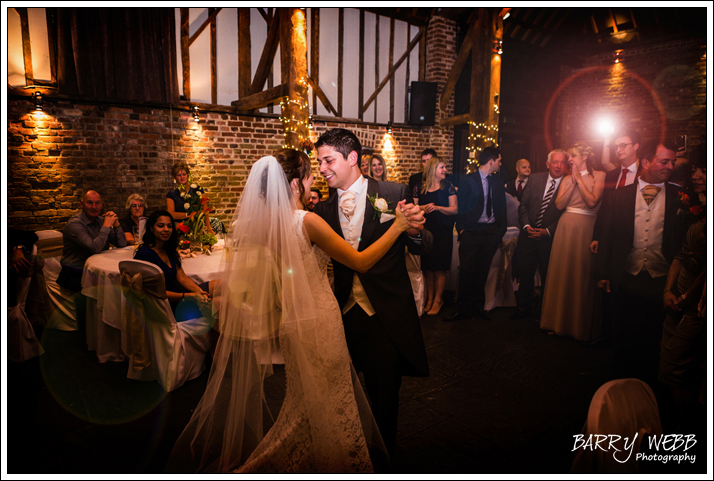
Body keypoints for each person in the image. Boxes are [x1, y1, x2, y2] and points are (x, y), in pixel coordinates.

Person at [167, 148, 425, 473]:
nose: (313, 180)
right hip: (320, 319)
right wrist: (398, 225)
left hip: (293, 322)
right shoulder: (308, 221)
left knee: (305, 399)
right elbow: (361, 262)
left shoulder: (266, 227)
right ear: (292, 185)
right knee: (331, 397)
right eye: (307, 176)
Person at [313, 128, 431, 457]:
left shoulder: (394, 193)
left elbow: (421, 245)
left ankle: (382, 461)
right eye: (319, 161)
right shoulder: (321, 210)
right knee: (344, 395)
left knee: (383, 395)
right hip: (341, 315)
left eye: (328, 160)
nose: (322, 167)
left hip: (384, 315)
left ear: (353, 159)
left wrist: (418, 232)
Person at [596, 139, 685, 387]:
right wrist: (602, 272)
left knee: (655, 339)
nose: (670, 166)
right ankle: (623, 387)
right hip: (627, 276)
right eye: (664, 161)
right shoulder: (619, 196)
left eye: (672, 162)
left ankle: (653, 389)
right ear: (645, 162)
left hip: (662, 279)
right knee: (624, 337)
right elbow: (607, 234)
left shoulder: (681, 197)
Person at [658, 143, 706, 433]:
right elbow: (680, 253)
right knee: (667, 362)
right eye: (695, 170)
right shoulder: (692, 205)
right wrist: (667, 290)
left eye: (704, 169)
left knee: (677, 366)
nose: (698, 175)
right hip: (678, 292)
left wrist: (688, 297)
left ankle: (691, 432)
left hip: (697, 299)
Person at [539, 143, 606, 342]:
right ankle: (556, 322)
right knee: (562, 274)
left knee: (581, 275)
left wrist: (580, 180)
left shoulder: (600, 175)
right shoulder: (566, 179)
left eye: (573, 157)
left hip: (586, 227)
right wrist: (572, 183)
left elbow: (592, 201)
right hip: (565, 228)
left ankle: (579, 327)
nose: (569, 160)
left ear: (584, 156)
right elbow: (559, 204)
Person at [446, 146, 507, 322]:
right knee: (466, 270)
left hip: (491, 233)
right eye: (499, 161)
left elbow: (501, 207)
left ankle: (478, 307)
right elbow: (461, 205)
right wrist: (463, 228)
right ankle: (463, 309)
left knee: (483, 270)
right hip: (471, 232)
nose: (500, 164)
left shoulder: (498, 181)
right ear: (491, 161)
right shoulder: (468, 180)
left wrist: (499, 231)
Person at [509, 149, 568, 320]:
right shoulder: (534, 179)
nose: (558, 166)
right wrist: (527, 226)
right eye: (554, 162)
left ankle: (545, 312)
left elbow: (566, 212)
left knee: (548, 276)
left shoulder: (569, 182)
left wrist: (548, 231)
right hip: (528, 235)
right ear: (547, 164)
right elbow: (523, 206)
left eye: (561, 162)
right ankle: (523, 309)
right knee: (525, 274)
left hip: (550, 239)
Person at [134, 210, 218, 319]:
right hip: (167, 305)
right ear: (151, 228)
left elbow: (182, 277)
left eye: (169, 226)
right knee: (219, 302)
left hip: (181, 294)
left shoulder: (167, 249)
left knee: (220, 285)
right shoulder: (145, 254)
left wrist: (199, 292)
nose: (166, 229)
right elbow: (153, 292)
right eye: (160, 226)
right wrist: (189, 296)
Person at [58, 190, 126, 293]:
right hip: (75, 274)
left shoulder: (100, 221)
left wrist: (116, 225)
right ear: (81, 204)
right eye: (90, 203)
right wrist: (106, 225)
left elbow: (122, 244)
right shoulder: (74, 224)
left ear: (101, 204)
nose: (94, 207)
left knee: (122, 286)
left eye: (97, 203)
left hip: (97, 271)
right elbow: (95, 248)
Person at [413, 156, 458, 316]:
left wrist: (438, 208)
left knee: (439, 268)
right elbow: (414, 207)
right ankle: (429, 299)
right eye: (442, 167)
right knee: (427, 268)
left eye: (445, 167)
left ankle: (438, 300)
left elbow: (454, 209)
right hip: (426, 231)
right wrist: (423, 207)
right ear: (433, 169)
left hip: (443, 232)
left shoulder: (448, 187)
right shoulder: (420, 187)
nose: (445, 170)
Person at [166, 162, 217, 235]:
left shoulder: (198, 190)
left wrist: (209, 228)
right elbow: (171, 214)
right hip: (180, 229)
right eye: (179, 175)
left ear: (188, 175)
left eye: (184, 174)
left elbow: (205, 211)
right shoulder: (172, 194)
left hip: (197, 228)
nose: (182, 177)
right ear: (175, 177)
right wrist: (188, 214)